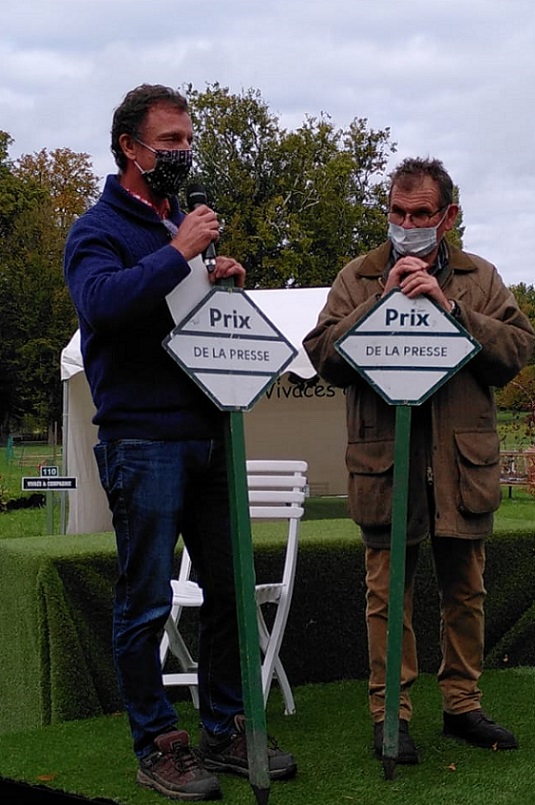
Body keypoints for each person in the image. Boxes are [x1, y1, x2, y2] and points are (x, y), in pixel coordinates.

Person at [63, 84, 296, 800]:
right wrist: (180, 251)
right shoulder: (96, 229)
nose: (182, 152)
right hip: (142, 440)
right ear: (130, 148)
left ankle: (224, 726)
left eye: (186, 140)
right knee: (145, 599)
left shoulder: (180, 227)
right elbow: (103, 305)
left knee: (230, 586)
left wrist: (218, 285)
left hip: (209, 434)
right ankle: (159, 742)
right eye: (168, 141)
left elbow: (178, 322)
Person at [303, 157, 535, 763]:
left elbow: (516, 350)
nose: (406, 224)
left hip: (462, 465)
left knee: (466, 591)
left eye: (421, 213)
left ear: (448, 216)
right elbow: (323, 357)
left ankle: (462, 704)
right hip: (387, 465)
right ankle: (391, 718)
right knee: (388, 596)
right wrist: (379, 302)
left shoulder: (478, 277)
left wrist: (455, 312)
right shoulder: (358, 276)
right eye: (397, 213)